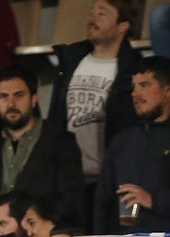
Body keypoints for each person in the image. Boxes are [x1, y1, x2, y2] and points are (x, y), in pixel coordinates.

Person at [0, 69, 84, 237]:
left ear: (34, 99)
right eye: (4, 96)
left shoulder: (60, 142)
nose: (11, 103)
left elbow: (71, 202)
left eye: (18, 95)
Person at [48, 0, 144, 185]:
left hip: (108, 179)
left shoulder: (133, 69)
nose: (92, 18)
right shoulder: (70, 59)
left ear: (123, 26)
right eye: (92, 11)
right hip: (68, 177)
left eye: (102, 13)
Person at [94, 57, 170, 234]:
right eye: (134, 86)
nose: (135, 94)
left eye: (144, 85)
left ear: (168, 91)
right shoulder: (122, 140)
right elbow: (102, 200)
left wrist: (153, 200)